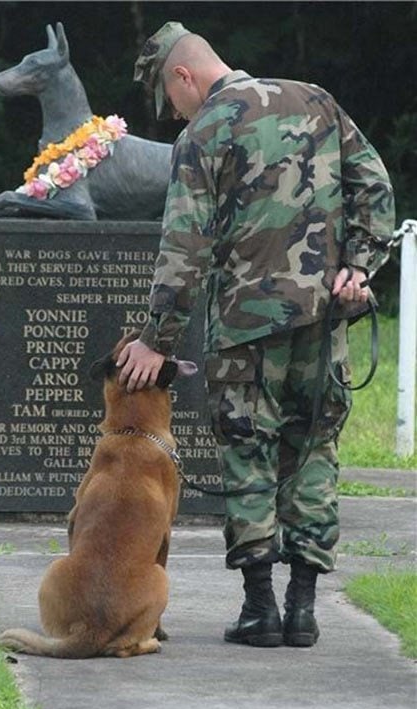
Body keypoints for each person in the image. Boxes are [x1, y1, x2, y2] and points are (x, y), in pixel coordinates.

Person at [116, 22, 395, 648]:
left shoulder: (203, 134)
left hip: (244, 330)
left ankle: (259, 611)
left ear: (183, 76)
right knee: (314, 451)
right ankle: (304, 610)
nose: (174, 113)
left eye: (171, 99)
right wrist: (359, 264)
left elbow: (184, 246)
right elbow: (374, 187)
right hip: (323, 321)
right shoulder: (316, 100)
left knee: (249, 455)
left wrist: (156, 339)